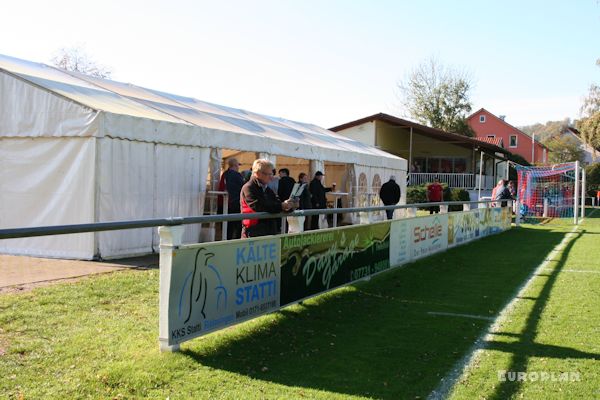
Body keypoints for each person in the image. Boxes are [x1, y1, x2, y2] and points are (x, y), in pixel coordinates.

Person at [240, 159, 297, 238]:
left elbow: (277, 204)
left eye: (272, 174)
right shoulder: (248, 188)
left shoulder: (267, 189)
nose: (271, 177)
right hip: (253, 232)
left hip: (267, 231)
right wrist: (282, 206)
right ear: (258, 173)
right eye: (269, 174)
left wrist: (290, 206)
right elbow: (258, 206)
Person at [218, 158, 244, 239]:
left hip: (224, 204)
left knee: (226, 228)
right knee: (237, 226)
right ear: (235, 165)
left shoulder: (225, 174)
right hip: (234, 204)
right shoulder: (237, 175)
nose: (238, 167)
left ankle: (226, 241)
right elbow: (243, 187)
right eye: (238, 165)